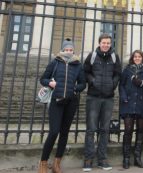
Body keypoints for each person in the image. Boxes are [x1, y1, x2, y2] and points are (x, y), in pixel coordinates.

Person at [38, 38, 86, 173]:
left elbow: (83, 83)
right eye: (67, 49)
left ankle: (57, 163)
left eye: (71, 50)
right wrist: (50, 83)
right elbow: (43, 79)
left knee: (64, 133)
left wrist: (75, 88)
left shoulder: (78, 65)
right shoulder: (55, 62)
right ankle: (43, 163)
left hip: (71, 102)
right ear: (62, 50)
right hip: (56, 101)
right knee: (54, 132)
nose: (69, 52)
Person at [83, 33, 122, 171]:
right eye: (103, 42)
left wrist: (113, 84)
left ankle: (102, 159)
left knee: (105, 130)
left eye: (108, 43)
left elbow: (118, 73)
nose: (105, 45)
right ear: (99, 43)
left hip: (108, 97)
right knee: (91, 129)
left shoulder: (114, 57)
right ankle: (88, 159)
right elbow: (85, 71)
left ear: (111, 44)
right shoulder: (92, 56)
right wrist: (92, 81)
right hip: (93, 97)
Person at [119, 50, 143, 169]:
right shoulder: (127, 70)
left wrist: (141, 83)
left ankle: (137, 158)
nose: (137, 58)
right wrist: (124, 97)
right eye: (135, 56)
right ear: (132, 58)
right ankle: (126, 158)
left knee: (140, 131)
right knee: (128, 130)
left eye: (139, 56)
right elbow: (122, 85)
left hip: (141, 104)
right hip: (128, 103)